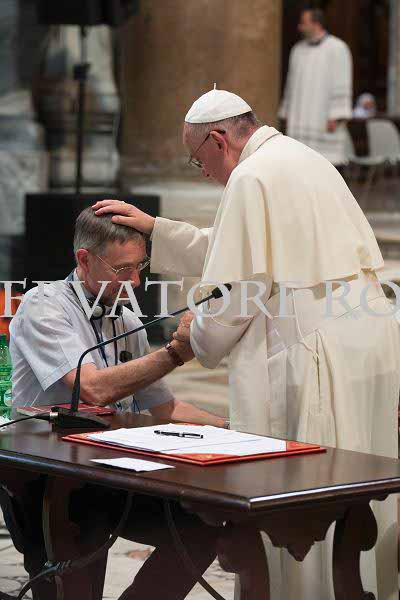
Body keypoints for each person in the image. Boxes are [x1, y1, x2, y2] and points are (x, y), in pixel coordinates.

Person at [94, 87, 400, 600]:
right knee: (362, 476)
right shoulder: (300, 157)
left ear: (218, 140)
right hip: (366, 341)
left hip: (313, 349)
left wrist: (196, 336)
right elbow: (244, 246)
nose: (204, 173)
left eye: (198, 161)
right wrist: (157, 230)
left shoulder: (252, 176)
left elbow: (235, 289)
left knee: (305, 492)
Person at [8, 207, 223, 600]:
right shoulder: (44, 305)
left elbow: (165, 409)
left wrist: (235, 427)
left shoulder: (127, 321)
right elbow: (90, 389)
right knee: (73, 590)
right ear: (84, 259)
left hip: (109, 473)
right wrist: (174, 354)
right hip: (48, 477)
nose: (136, 281)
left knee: (203, 526)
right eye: (123, 269)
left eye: (140, 267)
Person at [279, 8, 353, 167]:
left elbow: (342, 80)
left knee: (326, 164)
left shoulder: (337, 48)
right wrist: (287, 111)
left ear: (316, 24)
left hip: (324, 119)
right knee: (300, 162)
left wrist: (336, 115)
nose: (299, 27)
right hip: (300, 117)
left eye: (303, 23)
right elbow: (291, 84)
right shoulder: (297, 50)